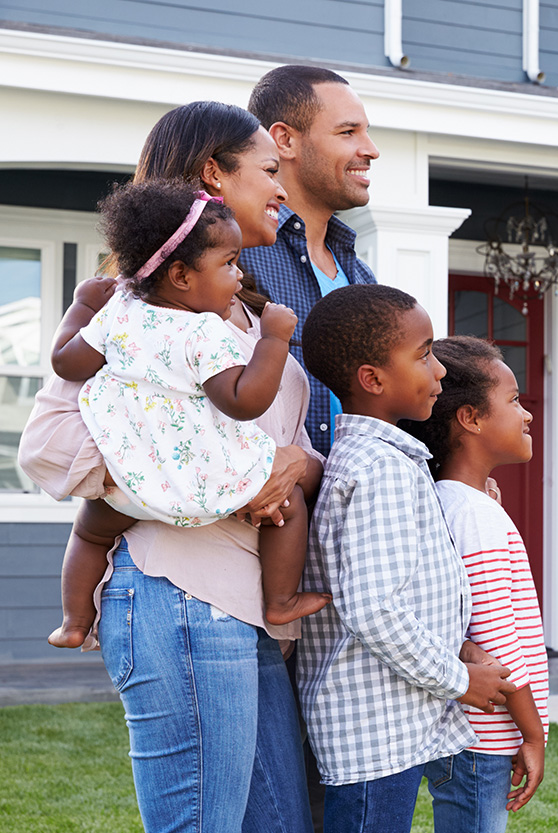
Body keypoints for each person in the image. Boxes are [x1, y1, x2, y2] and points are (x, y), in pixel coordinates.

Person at [18, 100, 321, 832]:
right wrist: (212, 480)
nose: (283, 188)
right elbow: (49, 450)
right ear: (214, 175)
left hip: (244, 609)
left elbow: (287, 445)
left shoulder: (244, 314)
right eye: (269, 171)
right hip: (179, 598)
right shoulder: (128, 313)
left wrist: (291, 470)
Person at [46, 180, 330, 650]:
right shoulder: (203, 330)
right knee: (287, 506)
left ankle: (75, 621)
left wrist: (81, 305)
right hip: (207, 480)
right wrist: (274, 340)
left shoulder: (119, 312)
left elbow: (66, 363)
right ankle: (280, 600)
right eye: (229, 264)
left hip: (134, 476)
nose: (238, 277)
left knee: (89, 532)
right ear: (180, 276)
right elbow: (243, 400)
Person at [297, 284, 518, 833]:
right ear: (372, 379)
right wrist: (460, 679)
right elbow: (374, 608)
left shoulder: (383, 459)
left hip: (386, 722)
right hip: (375, 731)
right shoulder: (382, 470)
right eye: (423, 355)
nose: (439, 371)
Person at [403, 336, 549, 832]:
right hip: (483, 734)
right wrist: (532, 734)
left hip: (469, 731)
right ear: (470, 418)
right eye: (513, 401)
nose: (526, 414)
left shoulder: (449, 502)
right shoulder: (474, 514)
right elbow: (496, 639)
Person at [240, 64, 380, 457]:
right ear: (284, 141)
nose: (370, 149)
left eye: (366, 132)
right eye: (348, 132)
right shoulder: (234, 258)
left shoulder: (362, 277)